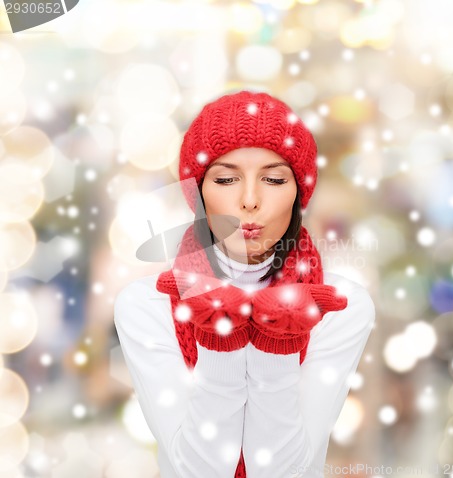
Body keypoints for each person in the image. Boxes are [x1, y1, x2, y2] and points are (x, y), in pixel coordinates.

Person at [114, 90, 376, 478]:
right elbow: (200, 471)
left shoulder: (338, 306)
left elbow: (283, 470)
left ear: (299, 193)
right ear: (198, 192)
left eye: (272, 179)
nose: (249, 200)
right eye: (225, 178)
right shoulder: (145, 304)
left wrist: (278, 343)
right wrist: (221, 339)